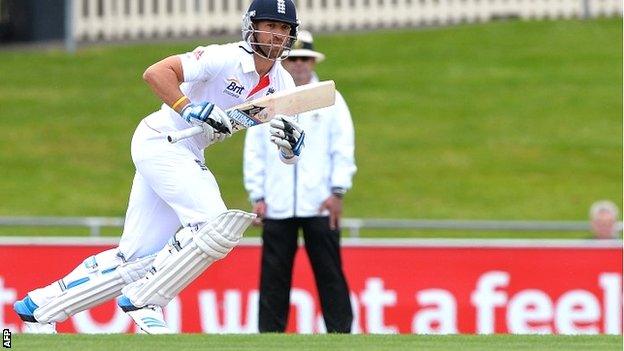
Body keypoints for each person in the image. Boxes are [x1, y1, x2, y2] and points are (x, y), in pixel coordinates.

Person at [13, 0, 306, 334]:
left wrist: (292, 148)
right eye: (270, 26)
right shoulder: (224, 57)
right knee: (214, 224)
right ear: (252, 26)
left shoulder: (282, 84)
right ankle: (146, 299)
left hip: (186, 150)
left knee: (136, 259)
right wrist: (188, 108)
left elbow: (288, 151)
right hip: (163, 140)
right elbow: (156, 72)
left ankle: (40, 307)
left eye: (283, 29)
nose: (276, 36)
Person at [243, 30, 356, 333]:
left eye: (305, 59)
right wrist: (257, 194)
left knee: (330, 272)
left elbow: (342, 147)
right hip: (277, 203)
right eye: (293, 59)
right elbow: (254, 151)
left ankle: (341, 334)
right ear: (285, 61)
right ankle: (270, 337)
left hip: (319, 201)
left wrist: (338, 191)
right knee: (273, 276)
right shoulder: (268, 97)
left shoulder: (331, 98)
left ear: (313, 62)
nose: (299, 65)